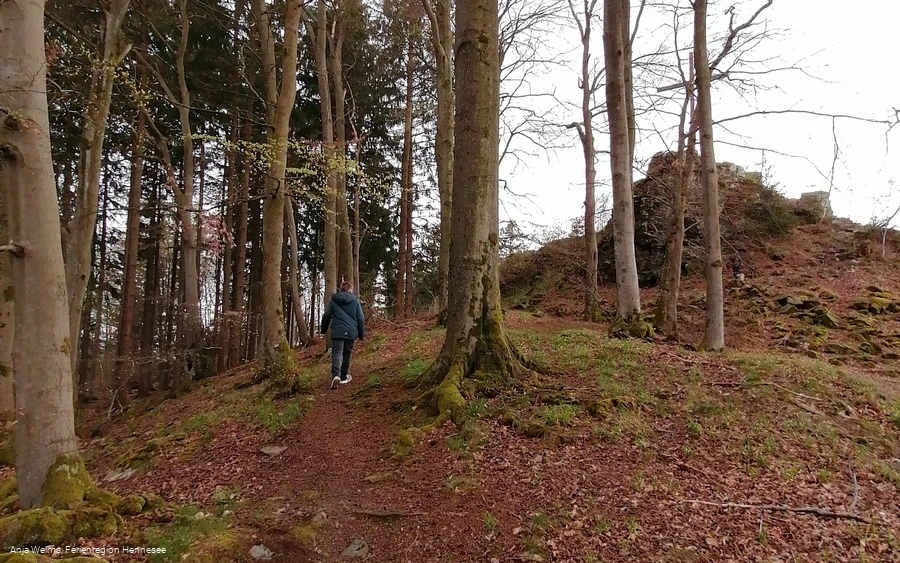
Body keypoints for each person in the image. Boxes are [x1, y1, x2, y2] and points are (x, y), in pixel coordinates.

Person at [320, 281, 366, 389]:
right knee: (347, 353)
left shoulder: (334, 300)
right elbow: (360, 318)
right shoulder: (355, 301)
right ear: (350, 290)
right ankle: (344, 376)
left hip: (337, 330)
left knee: (337, 352)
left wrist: (323, 330)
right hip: (350, 331)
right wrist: (361, 334)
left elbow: (326, 315)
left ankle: (335, 375)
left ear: (340, 290)